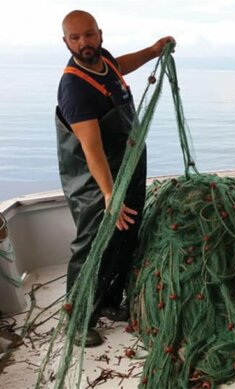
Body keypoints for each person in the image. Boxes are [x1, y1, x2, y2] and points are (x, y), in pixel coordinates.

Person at [56, 10, 174, 346]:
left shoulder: (103, 61)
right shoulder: (74, 88)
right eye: (76, 38)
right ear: (66, 42)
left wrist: (152, 51)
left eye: (89, 35)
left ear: (100, 34)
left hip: (128, 167)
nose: (84, 43)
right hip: (96, 183)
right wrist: (110, 194)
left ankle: (108, 301)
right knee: (93, 243)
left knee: (126, 234)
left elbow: (119, 65)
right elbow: (92, 150)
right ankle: (77, 319)